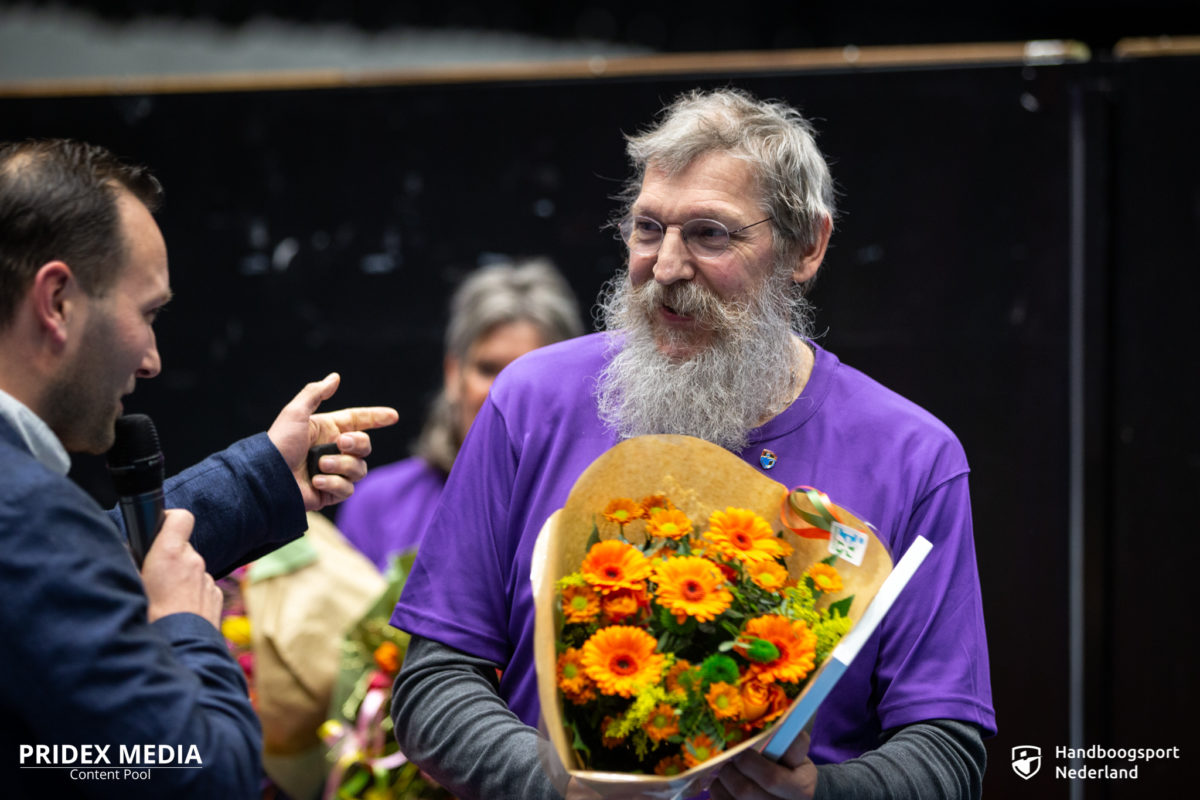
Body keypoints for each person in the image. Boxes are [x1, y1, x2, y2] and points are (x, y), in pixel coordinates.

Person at [388, 88, 995, 800]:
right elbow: (432, 686)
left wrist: (814, 796)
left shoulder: (912, 457)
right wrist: (560, 784)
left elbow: (947, 752)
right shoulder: (531, 402)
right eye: (649, 229)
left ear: (807, 247)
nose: (667, 267)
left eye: (710, 234)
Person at [0, 138, 398, 799]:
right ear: (58, 301)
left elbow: (67, 568)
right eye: (147, 314)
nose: (153, 359)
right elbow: (200, 774)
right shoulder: (28, 517)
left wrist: (266, 473)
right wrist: (185, 625)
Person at [336, 258, 584, 570]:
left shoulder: (599, 506)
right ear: (453, 374)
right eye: (488, 369)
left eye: (529, 372)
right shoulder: (378, 504)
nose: (505, 391)